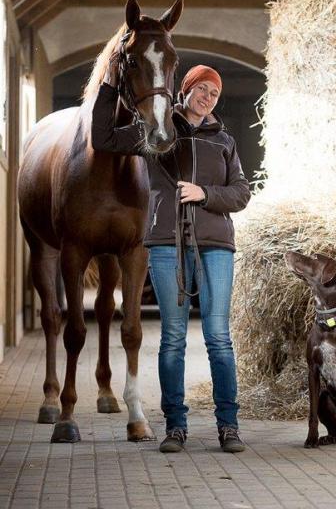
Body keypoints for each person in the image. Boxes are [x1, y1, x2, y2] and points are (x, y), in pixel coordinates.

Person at [92, 61, 251, 453]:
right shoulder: (157, 133)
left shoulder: (224, 142)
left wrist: (205, 194)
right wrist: (110, 85)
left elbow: (242, 193)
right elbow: (104, 137)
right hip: (166, 244)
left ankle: (228, 427)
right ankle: (175, 427)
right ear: (186, 90)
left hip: (215, 246)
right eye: (202, 89)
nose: (207, 98)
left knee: (219, 338)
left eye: (214, 93)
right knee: (173, 338)